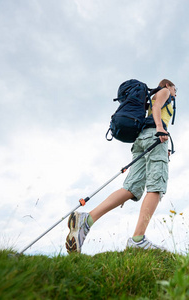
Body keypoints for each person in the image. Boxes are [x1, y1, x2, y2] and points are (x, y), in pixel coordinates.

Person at [65, 79, 177, 253]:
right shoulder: (165, 92)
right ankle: (138, 239)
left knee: (131, 188)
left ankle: (87, 220)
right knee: (156, 186)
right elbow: (156, 109)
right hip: (155, 136)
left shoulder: (151, 97)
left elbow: (153, 110)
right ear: (168, 85)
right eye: (175, 88)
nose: (176, 92)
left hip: (142, 140)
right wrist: (159, 128)